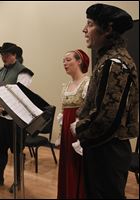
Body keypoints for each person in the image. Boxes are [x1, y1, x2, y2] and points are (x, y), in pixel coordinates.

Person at [71, 3, 139, 198]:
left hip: (107, 149)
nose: (84, 29)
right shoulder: (109, 59)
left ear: (108, 29)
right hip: (106, 147)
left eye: (90, 24)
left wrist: (79, 128)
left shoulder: (114, 63)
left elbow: (106, 119)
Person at [0, 42, 34, 193]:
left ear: (15, 55)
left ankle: (18, 181)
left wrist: (3, 107)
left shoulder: (24, 72)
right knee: (0, 149)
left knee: (17, 152)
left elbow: (20, 95)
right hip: (1, 120)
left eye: (6, 54)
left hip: (16, 121)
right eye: (2, 55)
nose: (3, 57)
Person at [57, 49, 90, 199]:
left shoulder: (87, 83)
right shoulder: (66, 86)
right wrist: (60, 134)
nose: (64, 63)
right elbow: (64, 113)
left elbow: (89, 111)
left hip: (79, 133)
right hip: (66, 132)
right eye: (63, 60)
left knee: (78, 167)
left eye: (68, 59)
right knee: (67, 165)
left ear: (79, 61)